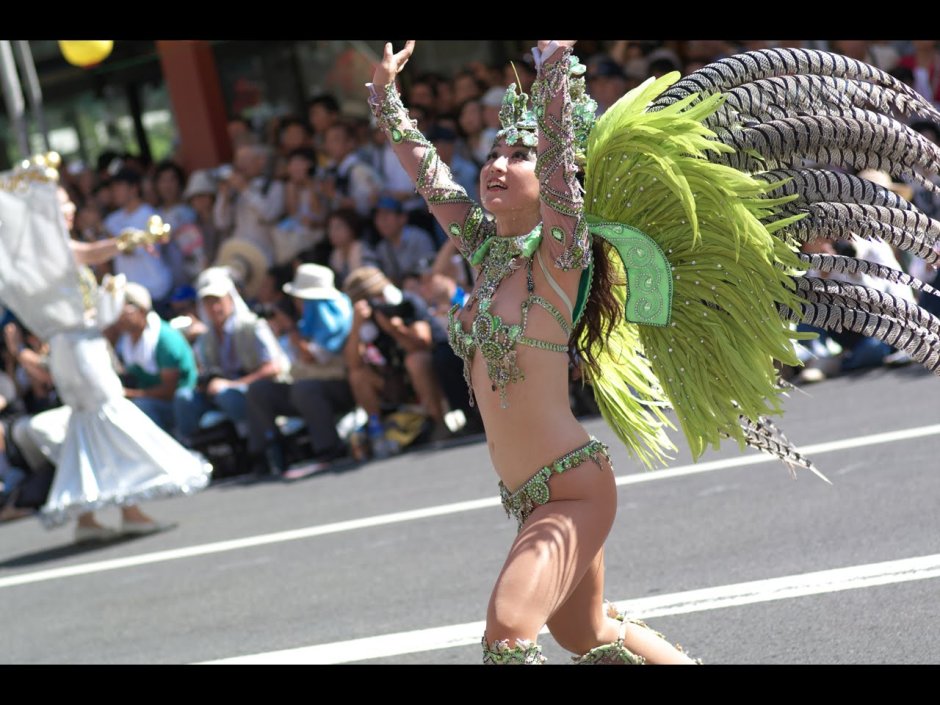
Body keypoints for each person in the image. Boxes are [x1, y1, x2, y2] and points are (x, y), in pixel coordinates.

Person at [370, 39, 940, 666]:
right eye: (495, 153)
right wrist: (386, 98)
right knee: (585, 633)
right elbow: (429, 176)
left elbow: (563, 171)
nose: (499, 165)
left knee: (509, 634)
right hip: (530, 494)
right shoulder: (484, 254)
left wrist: (554, 69)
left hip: (571, 490)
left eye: (520, 155)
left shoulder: (560, 259)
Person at [0, 160, 210, 542]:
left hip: (72, 348)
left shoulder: (33, 256)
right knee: (108, 417)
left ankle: (87, 515)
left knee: (87, 426)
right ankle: (128, 507)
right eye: (62, 204)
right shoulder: (50, 249)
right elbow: (94, 252)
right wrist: (138, 239)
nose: (69, 210)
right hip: (80, 349)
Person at [245, 264, 355, 474]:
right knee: (260, 390)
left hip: (337, 387)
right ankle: (270, 453)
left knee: (305, 389)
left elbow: (314, 357)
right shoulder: (304, 322)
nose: (295, 302)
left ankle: (329, 448)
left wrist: (290, 329)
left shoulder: (336, 318)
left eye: (299, 298)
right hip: (302, 387)